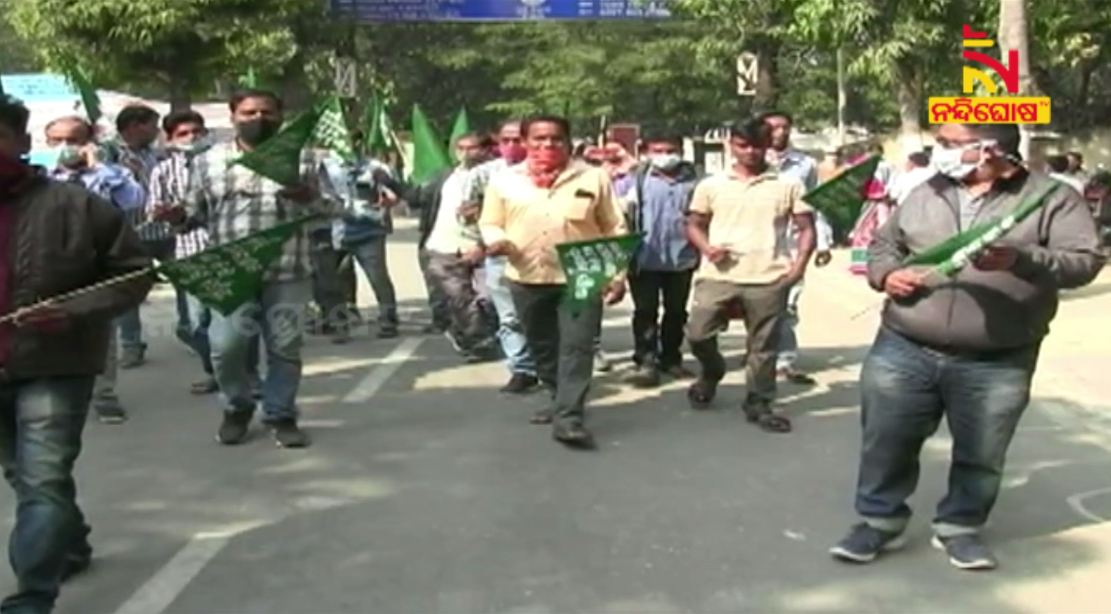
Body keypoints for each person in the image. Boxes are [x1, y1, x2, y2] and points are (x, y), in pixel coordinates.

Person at [829, 123, 1104, 570]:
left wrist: (1022, 259)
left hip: (998, 357)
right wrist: (886, 275)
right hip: (905, 345)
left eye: (951, 145)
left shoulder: (1052, 198)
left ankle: (960, 525)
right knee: (887, 439)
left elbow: (1085, 262)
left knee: (982, 451)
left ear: (990, 150)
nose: (940, 151)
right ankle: (879, 520)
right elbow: (884, 244)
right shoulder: (929, 190)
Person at [0, 94, 152, 614]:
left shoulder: (77, 206)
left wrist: (70, 311)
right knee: (25, 477)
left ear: (22, 142)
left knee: (41, 479)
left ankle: (31, 598)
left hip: (55, 363)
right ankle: (71, 543)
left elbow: (133, 274)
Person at [177, 89, 338, 449]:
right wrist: (176, 216)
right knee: (225, 347)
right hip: (232, 271)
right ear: (233, 116)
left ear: (281, 116)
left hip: (289, 270)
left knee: (285, 348)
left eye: (267, 112)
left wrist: (309, 197)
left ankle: (281, 414)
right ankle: (237, 406)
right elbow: (192, 214)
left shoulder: (305, 159)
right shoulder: (208, 161)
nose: (258, 119)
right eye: (249, 113)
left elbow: (334, 208)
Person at [480, 115, 628, 449]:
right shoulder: (504, 181)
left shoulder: (593, 177)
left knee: (577, 345)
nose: (548, 145)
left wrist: (617, 275)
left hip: (582, 275)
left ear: (568, 141)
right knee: (543, 346)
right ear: (525, 142)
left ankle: (569, 418)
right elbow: (490, 222)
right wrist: (497, 240)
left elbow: (614, 227)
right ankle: (559, 396)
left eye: (556, 138)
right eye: (539, 139)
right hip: (527, 276)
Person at [684, 118, 816, 434]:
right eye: (743, 145)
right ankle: (712, 370)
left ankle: (759, 402)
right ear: (731, 145)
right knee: (698, 333)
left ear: (767, 145)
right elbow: (694, 224)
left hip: (769, 276)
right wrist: (707, 248)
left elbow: (806, 228)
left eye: (757, 145)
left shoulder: (788, 184)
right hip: (718, 275)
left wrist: (798, 267)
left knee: (763, 345)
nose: (750, 152)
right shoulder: (711, 185)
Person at [148, 110, 261, 395]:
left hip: (229, 252)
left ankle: (248, 375)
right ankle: (217, 371)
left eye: (197, 131)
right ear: (170, 139)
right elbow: (154, 210)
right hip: (191, 254)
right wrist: (168, 214)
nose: (192, 137)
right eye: (183, 133)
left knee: (239, 319)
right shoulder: (163, 171)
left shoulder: (224, 163)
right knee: (195, 324)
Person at [44, 115, 146, 425]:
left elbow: (134, 201)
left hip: (96, 264)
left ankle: (104, 396)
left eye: (73, 140)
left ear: (88, 142)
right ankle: (56, 395)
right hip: (49, 265)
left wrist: (99, 168)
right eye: (57, 141)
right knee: (48, 329)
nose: (65, 147)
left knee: (102, 333)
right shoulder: (40, 177)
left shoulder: (111, 175)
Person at [461, 119, 539, 393]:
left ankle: (549, 366)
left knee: (541, 316)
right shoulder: (484, 175)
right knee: (510, 318)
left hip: (539, 255)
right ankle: (522, 369)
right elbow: (466, 215)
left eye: (518, 140)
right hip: (500, 255)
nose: (512, 146)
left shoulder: (546, 171)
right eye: (506, 140)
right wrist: (477, 240)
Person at [761, 110, 834, 386]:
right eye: (773, 127)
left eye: (785, 127)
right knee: (756, 303)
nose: (779, 132)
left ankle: (783, 361)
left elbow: (818, 205)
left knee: (788, 304)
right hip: (758, 241)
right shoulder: (753, 160)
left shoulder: (805, 164)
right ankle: (759, 352)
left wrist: (822, 242)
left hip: (794, 243)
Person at [622, 131, 700, 388]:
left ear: (681, 151)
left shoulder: (695, 181)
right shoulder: (636, 180)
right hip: (644, 257)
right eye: (658, 151)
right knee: (645, 312)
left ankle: (671, 358)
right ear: (646, 152)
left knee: (676, 312)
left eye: (671, 150)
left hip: (681, 257)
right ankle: (645, 360)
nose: (665, 156)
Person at [419, 132, 498, 362]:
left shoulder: (500, 176)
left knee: (490, 299)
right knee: (460, 299)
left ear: (485, 150)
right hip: (444, 247)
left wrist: (482, 245)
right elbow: (419, 199)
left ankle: (477, 333)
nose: (465, 153)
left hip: (486, 247)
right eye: (460, 148)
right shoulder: (444, 176)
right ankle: (476, 343)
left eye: (471, 148)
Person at [329, 137, 401, 341]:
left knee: (378, 277)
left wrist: (388, 198)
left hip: (369, 231)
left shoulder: (375, 167)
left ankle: (388, 320)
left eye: (354, 141)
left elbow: (394, 193)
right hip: (338, 230)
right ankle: (341, 324)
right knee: (336, 280)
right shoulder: (326, 167)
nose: (348, 145)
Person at [111, 104, 164, 369]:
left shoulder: (157, 154)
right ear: (134, 126)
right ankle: (131, 345)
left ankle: (192, 330)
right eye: (153, 125)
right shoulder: (109, 154)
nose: (157, 131)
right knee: (128, 292)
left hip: (165, 230)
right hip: (130, 233)